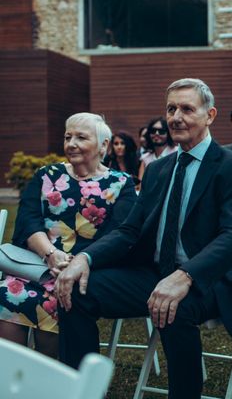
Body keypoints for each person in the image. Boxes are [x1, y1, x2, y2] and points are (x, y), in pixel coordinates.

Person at [55, 79, 232, 399]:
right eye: (171, 109)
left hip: (211, 279)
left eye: (187, 109)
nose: (175, 117)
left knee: (173, 306)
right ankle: (79, 392)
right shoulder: (158, 169)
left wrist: (186, 275)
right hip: (154, 273)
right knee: (77, 290)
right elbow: (129, 231)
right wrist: (85, 258)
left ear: (210, 115)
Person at [0, 113, 136, 358]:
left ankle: (54, 382)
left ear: (103, 145)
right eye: (67, 137)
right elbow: (28, 221)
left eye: (81, 137)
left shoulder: (121, 183)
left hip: (84, 272)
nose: (71, 143)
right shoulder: (47, 175)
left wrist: (77, 262)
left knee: (56, 302)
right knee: (5, 294)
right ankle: (13, 382)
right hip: (38, 266)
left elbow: (119, 234)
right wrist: (51, 255)